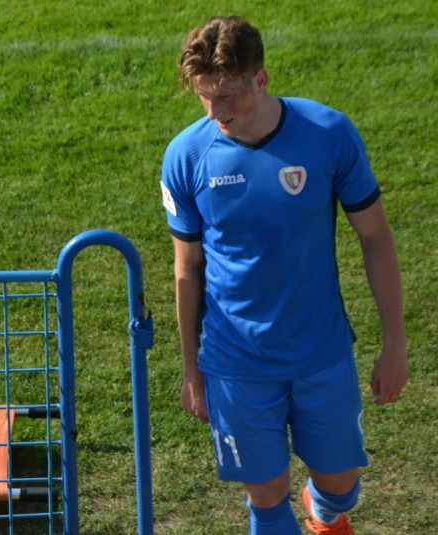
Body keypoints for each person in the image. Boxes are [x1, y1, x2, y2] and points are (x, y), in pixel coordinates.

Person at [160, 15, 408, 535]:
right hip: (235, 359)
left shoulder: (327, 134)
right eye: (205, 97)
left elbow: (375, 237)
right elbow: (188, 268)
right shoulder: (187, 156)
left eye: (227, 95)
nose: (216, 111)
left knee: (341, 486)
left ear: (261, 79)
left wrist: (395, 344)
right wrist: (191, 372)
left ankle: (325, 508)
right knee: (266, 497)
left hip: (320, 349)